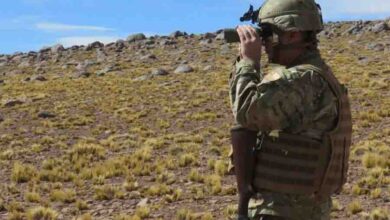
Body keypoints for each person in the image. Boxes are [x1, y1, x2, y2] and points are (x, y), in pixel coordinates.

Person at [229, 0, 352, 219]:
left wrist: (248, 62)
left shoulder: (304, 79)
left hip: (284, 210)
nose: (264, 42)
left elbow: (247, 113)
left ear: (293, 34)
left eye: (268, 33)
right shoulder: (316, 76)